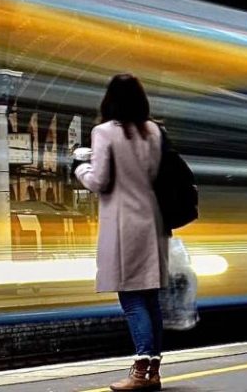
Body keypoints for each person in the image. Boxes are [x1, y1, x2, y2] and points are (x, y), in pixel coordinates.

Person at [75, 74, 167, 391]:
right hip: (151, 220)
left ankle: (140, 371)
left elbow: (99, 181)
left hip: (123, 222)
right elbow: (153, 174)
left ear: (109, 99)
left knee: (131, 299)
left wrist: (80, 167)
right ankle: (154, 370)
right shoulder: (154, 131)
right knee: (151, 297)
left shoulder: (104, 132)